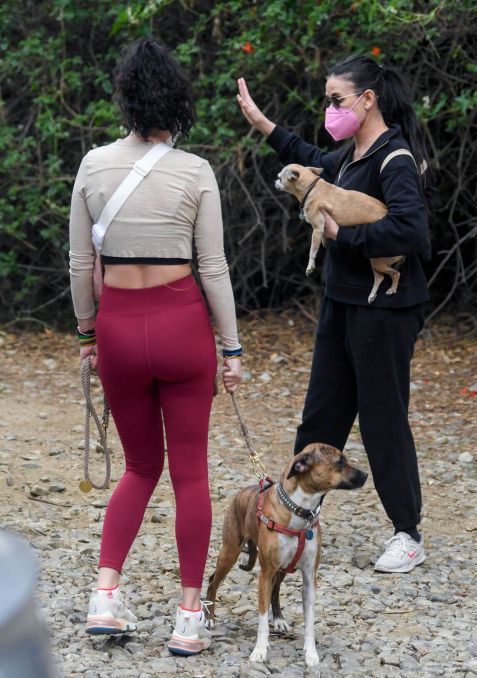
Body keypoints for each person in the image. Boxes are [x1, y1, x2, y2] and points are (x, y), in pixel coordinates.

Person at [69, 38, 242, 655]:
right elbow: (214, 267)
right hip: (180, 325)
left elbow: (79, 262)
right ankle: (189, 617)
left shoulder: (93, 166)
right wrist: (233, 349)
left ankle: (105, 596)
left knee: (141, 466)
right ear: (178, 100)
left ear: (126, 99)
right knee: (189, 471)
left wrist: (87, 334)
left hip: (117, 325)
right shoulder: (195, 172)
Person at [237, 54, 431, 573]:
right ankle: (287, 519)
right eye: (326, 100)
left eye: (336, 100)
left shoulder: (395, 158)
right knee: (322, 413)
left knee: (383, 419)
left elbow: (412, 232)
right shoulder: (349, 156)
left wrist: (346, 236)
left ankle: (407, 533)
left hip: (386, 310)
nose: (329, 108)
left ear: (367, 100)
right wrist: (264, 126)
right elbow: (307, 158)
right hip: (343, 303)